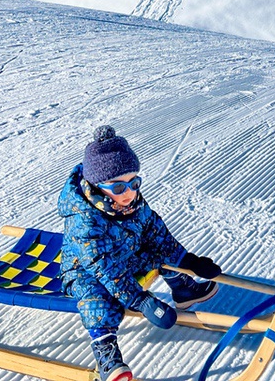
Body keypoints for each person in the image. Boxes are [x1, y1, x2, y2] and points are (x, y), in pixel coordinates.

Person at [58, 125, 221, 381]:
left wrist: (188, 261)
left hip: (123, 253)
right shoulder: (84, 221)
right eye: (119, 187)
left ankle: (183, 289)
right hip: (86, 271)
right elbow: (106, 270)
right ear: (98, 186)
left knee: (157, 249)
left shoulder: (131, 201)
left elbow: (156, 233)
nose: (130, 192)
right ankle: (106, 353)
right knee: (97, 298)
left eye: (134, 182)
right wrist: (141, 300)